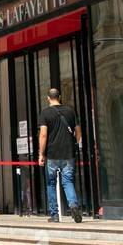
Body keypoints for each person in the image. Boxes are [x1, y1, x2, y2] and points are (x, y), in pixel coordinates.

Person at [38, 87, 83, 223]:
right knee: (68, 181)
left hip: (52, 154)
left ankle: (55, 214)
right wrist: (74, 144)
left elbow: (43, 135)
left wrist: (41, 154)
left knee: (51, 183)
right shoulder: (70, 111)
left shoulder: (45, 113)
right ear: (60, 97)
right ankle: (74, 205)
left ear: (48, 98)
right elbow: (78, 132)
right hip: (68, 153)